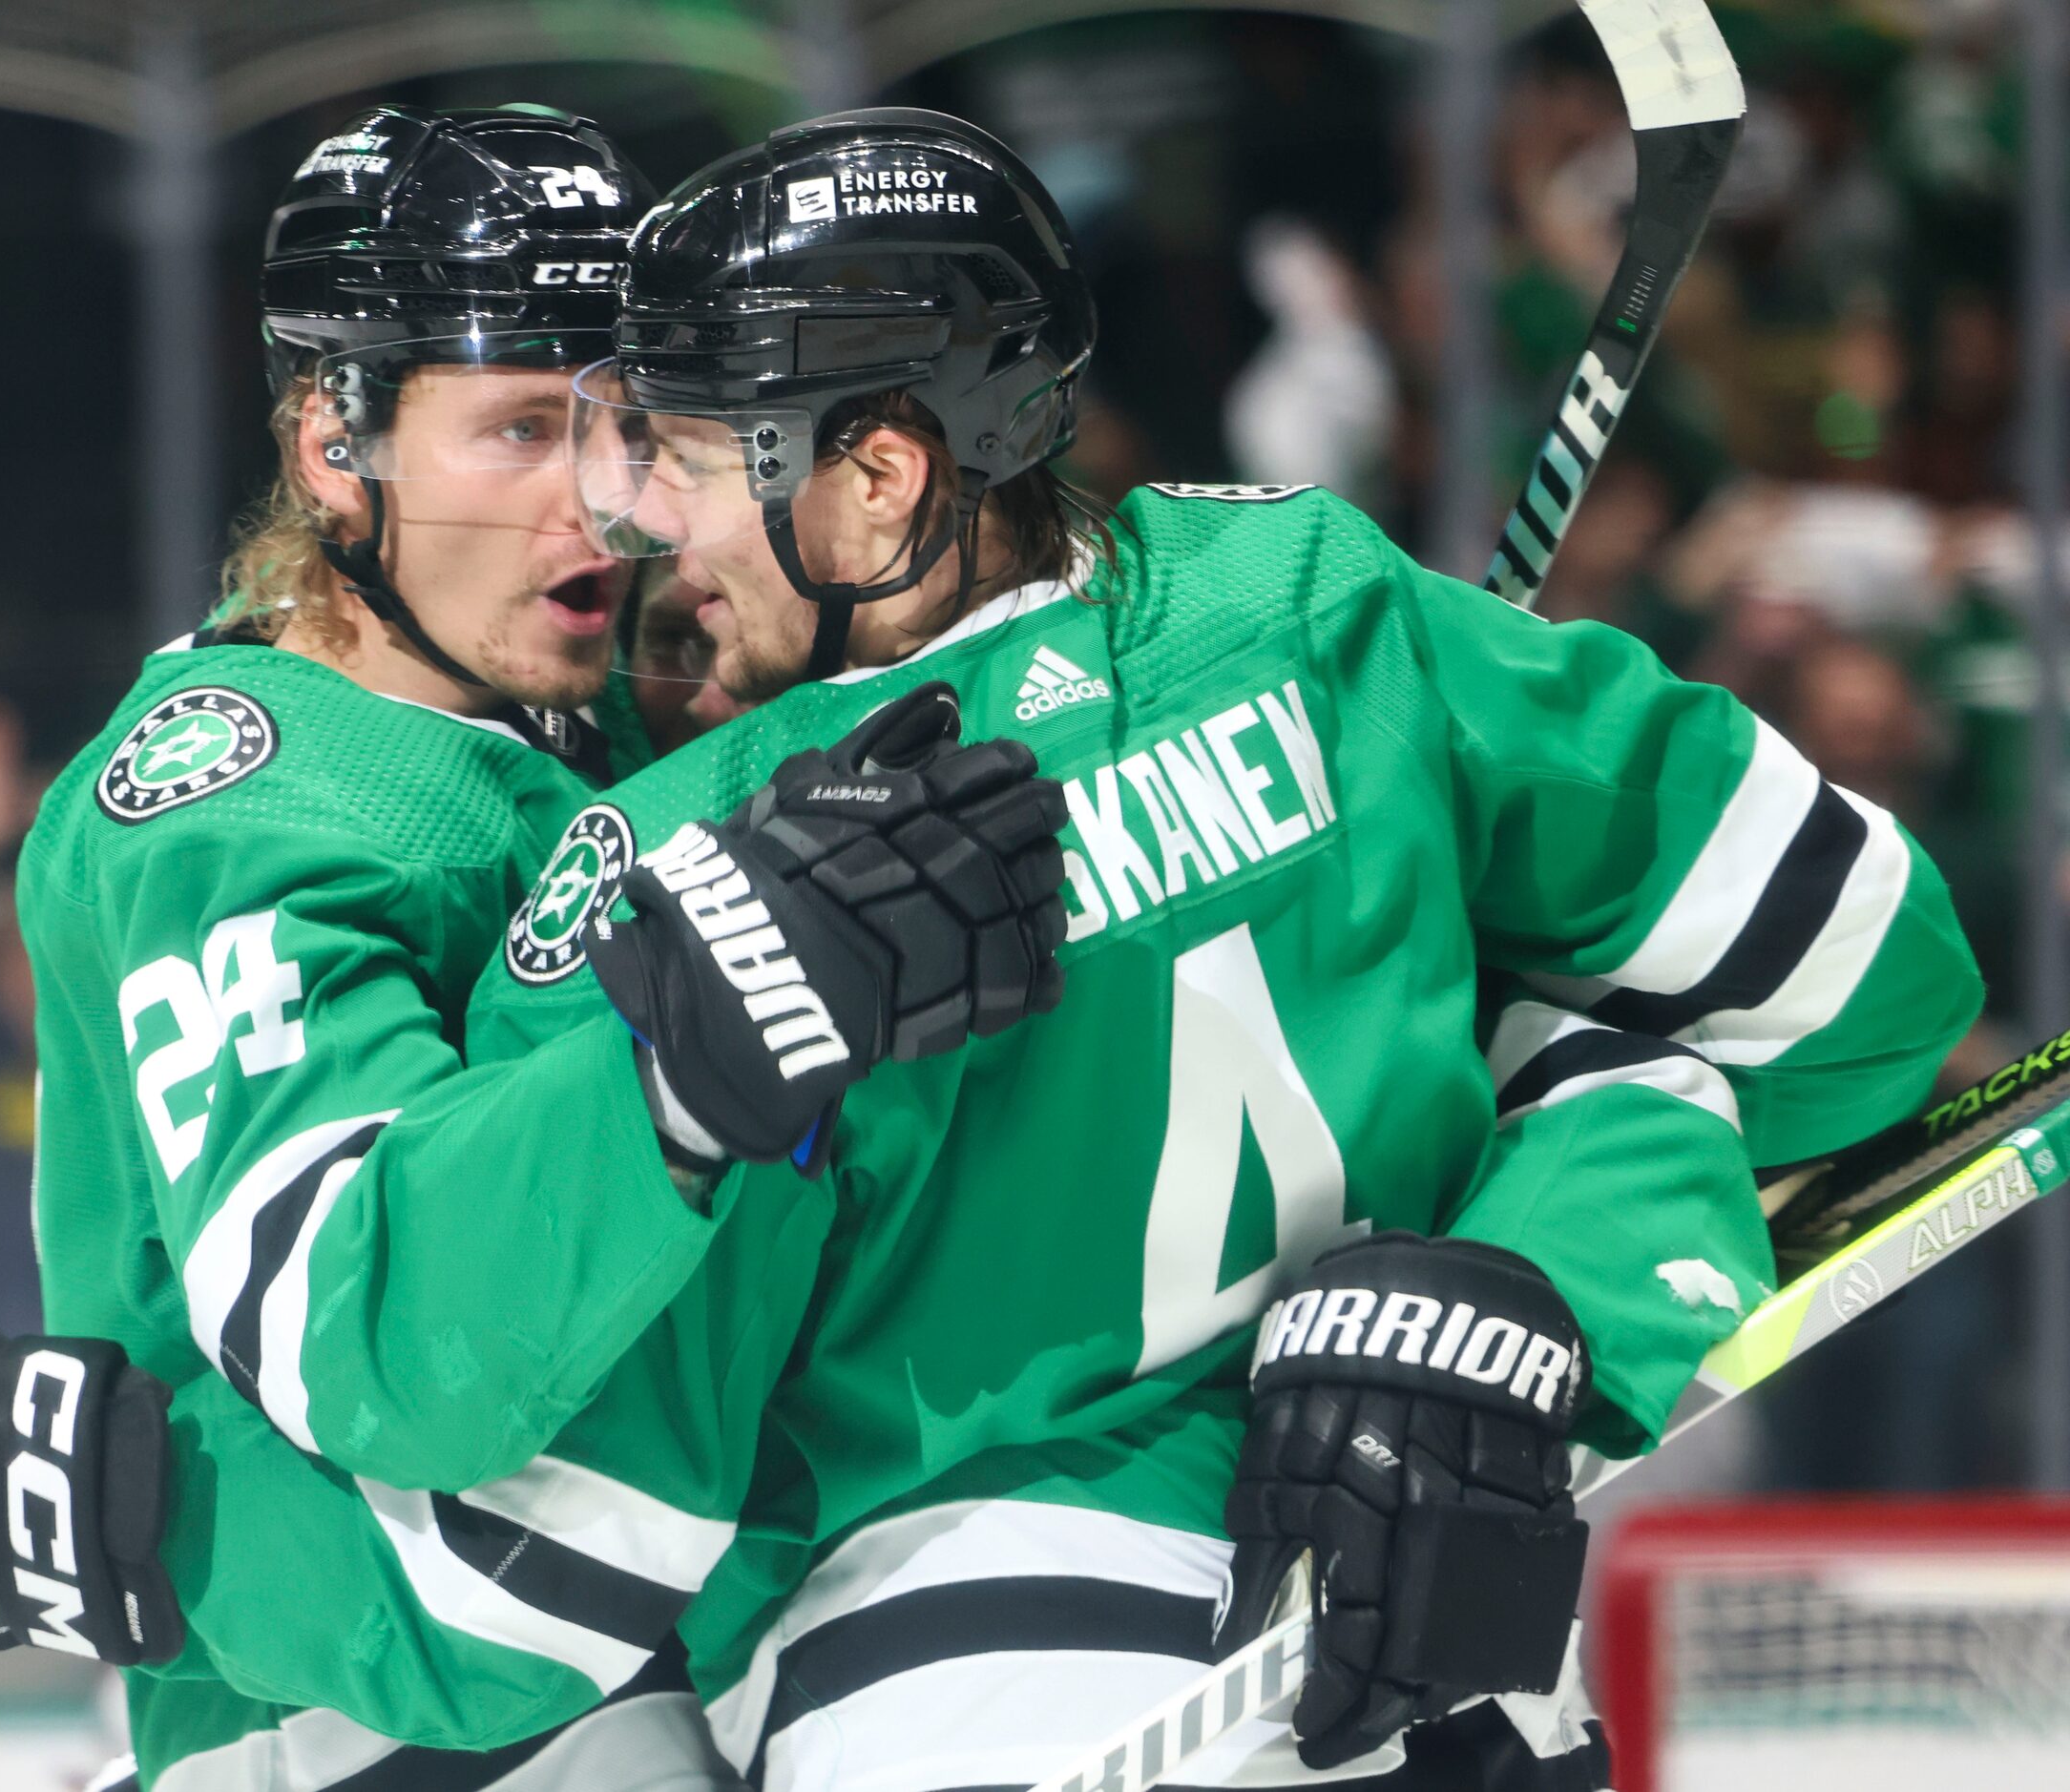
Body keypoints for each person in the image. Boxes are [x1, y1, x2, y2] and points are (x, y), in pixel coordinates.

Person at [451, 107, 1981, 1788]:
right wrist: (1540, 1259)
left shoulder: (680, 846)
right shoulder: (1313, 598)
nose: (646, 517)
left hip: (952, 1699)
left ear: (879, 475)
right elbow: (1864, 974)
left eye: (680, 451)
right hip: (1449, 1669)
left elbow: (497, 1489)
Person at [0, 102, 1068, 1791]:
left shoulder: (599, 706)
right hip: (366, 1722)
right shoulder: (236, 804)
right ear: (329, 447)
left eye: (633, 426)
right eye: (520, 429)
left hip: (645, 1665)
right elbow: (366, 1324)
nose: (603, 504)